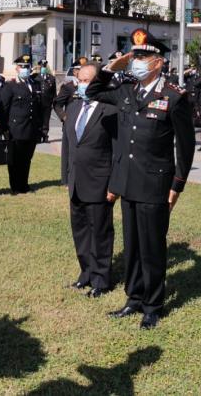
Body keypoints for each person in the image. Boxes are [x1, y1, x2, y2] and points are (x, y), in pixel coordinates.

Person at [86, 28, 195, 329]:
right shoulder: (125, 90)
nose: (137, 61)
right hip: (127, 181)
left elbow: (185, 147)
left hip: (154, 184)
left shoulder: (173, 96)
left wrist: (178, 185)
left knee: (152, 246)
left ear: (158, 62)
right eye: (135, 56)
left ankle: (153, 304)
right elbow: (91, 92)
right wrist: (110, 68)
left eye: (144, 56)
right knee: (132, 245)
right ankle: (133, 298)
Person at [61, 64, 119, 297]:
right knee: (81, 231)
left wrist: (114, 185)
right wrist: (65, 176)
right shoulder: (73, 106)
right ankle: (86, 272)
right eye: (79, 80)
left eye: (86, 80)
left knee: (100, 232)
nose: (81, 85)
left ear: (97, 83)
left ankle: (101, 279)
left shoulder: (110, 110)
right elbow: (68, 144)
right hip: (76, 181)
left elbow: (117, 151)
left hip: (100, 182)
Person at [0, 54, 42, 194]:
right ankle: (16, 187)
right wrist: (4, 129)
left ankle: (24, 185)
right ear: (17, 68)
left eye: (27, 66)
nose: (25, 69)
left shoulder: (34, 84)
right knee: (15, 160)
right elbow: (4, 108)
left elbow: (38, 106)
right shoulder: (10, 85)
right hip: (15, 129)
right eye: (22, 66)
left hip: (31, 128)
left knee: (26, 159)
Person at [36, 60, 57, 143]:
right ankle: (38, 137)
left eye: (44, 67)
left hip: (47, 103)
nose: (43, 68)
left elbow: (54, 92)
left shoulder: (51, 78)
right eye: (42, 67)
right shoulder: (35, 77)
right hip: (38, 103)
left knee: (46, 120)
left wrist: (53, 102)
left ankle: (45, 136)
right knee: (38, 120)